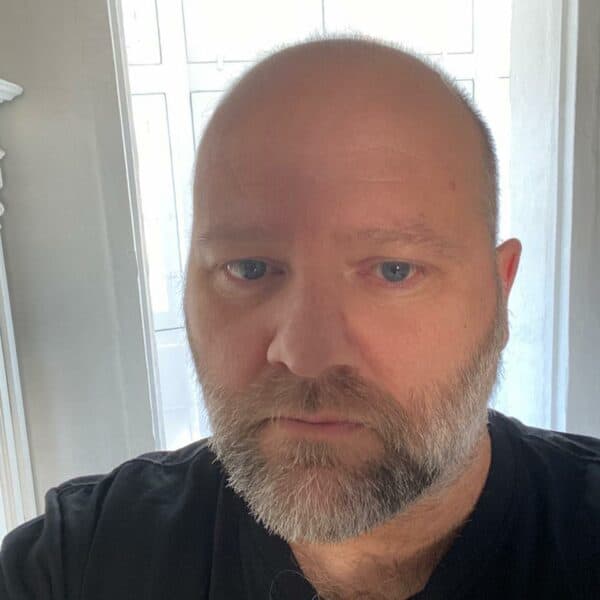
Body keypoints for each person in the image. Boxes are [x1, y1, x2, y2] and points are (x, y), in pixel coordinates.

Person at [1, 37, 599, 600]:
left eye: (393, 270)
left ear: (500, 291)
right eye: (249, 268)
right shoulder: (77, 563)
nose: (306, 354)